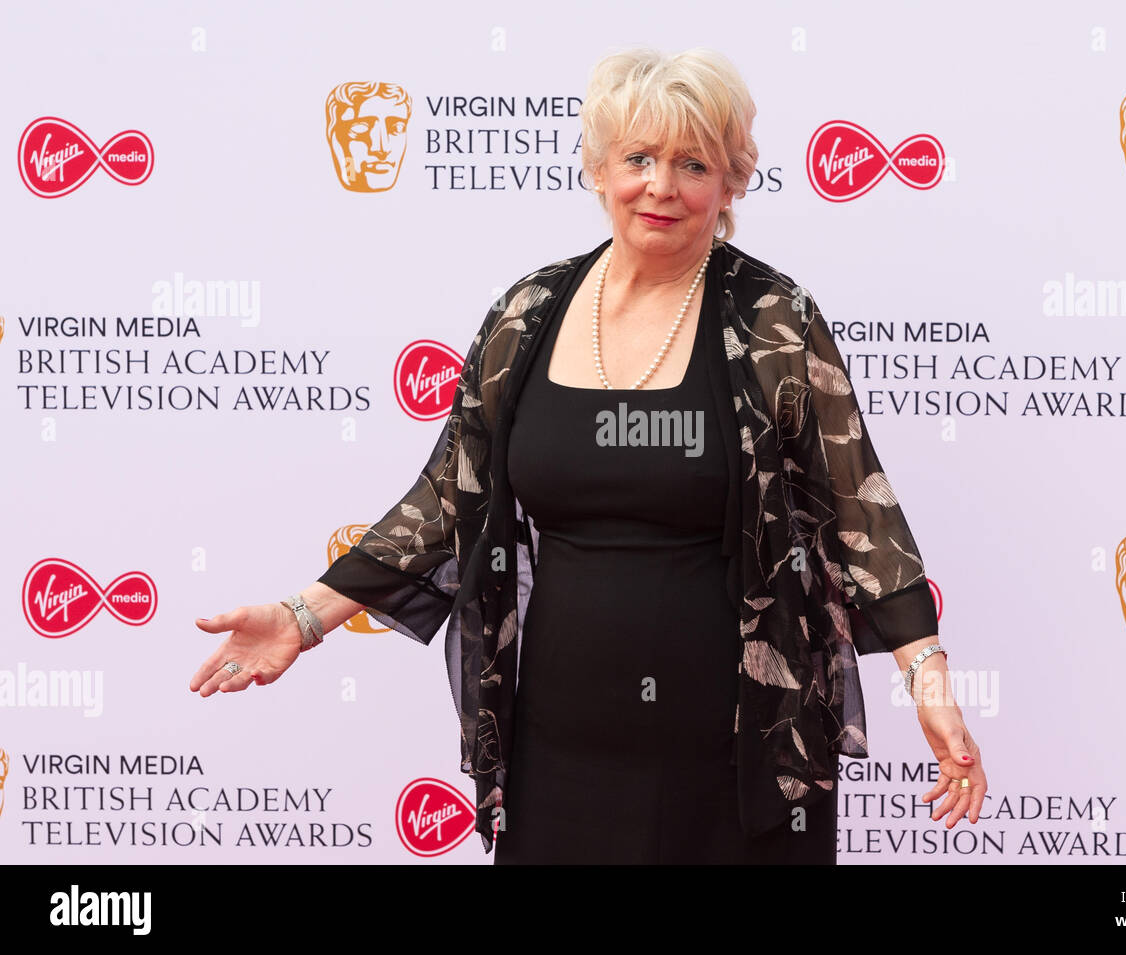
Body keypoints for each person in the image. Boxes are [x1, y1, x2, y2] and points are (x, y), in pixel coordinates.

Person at [190, 46, 989, 864]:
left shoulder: (771, 319)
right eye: (639, 158)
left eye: (693, 163)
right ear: (600, 168)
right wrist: (301, 617)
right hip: (558, 751)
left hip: (733, 758)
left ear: (731, 181)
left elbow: (863, 518)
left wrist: (929, 685)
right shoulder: (529, 313)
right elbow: (444, 497)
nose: (662, 186)